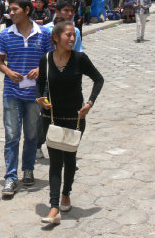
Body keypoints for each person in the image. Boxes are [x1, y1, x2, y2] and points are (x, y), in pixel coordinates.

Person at [36, 21, 104, 224]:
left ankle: (66, 193)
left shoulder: (80, 59)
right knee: (55, 162)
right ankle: (54, 207)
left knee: (69, 159)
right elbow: (39, 86)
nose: (72, 39)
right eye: (68, 35)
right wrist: (40, 98)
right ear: (55, 38)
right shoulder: (46, 59)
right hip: (52, 119)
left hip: (75, 119)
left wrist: (90, 103)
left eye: (74, 35)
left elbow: (98, 79)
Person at [0, 0, 52, 196]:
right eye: (10, 10)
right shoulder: (6, 35)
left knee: (30, 134)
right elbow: (0, 61)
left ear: (27, 10)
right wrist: (9, 72)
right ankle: (10, 177)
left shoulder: (43, 33)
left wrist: (40, 68)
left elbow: (50, 59)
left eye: (14, 10)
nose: (11, 13)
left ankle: (28, 170)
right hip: (11, 92)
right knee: (11, 135)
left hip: (34, 94)